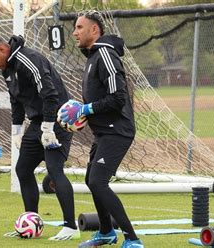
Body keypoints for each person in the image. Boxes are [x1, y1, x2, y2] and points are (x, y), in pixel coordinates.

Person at [0, 35, 79, 241]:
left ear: (2, 50)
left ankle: (71, 226)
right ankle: (31, 223)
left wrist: (49, 128)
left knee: (54, 169)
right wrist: (16, 130)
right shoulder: (7, 69)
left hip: (57, 119)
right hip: (36, 124)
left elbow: (50, 94)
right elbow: (16, 100)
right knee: (22, 169)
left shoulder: (29, 59)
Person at [61, 11, 143, 248]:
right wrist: (82, 110)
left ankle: (133, 238)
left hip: (117, 130)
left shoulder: (106, 54)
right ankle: (106, 232)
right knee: (91, 179)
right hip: (103, 131)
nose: (74, 33)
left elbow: (118, 98)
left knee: (98, 181)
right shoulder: (92, 57)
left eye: (79, 27)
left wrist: (86, 109)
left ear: (94, 30)